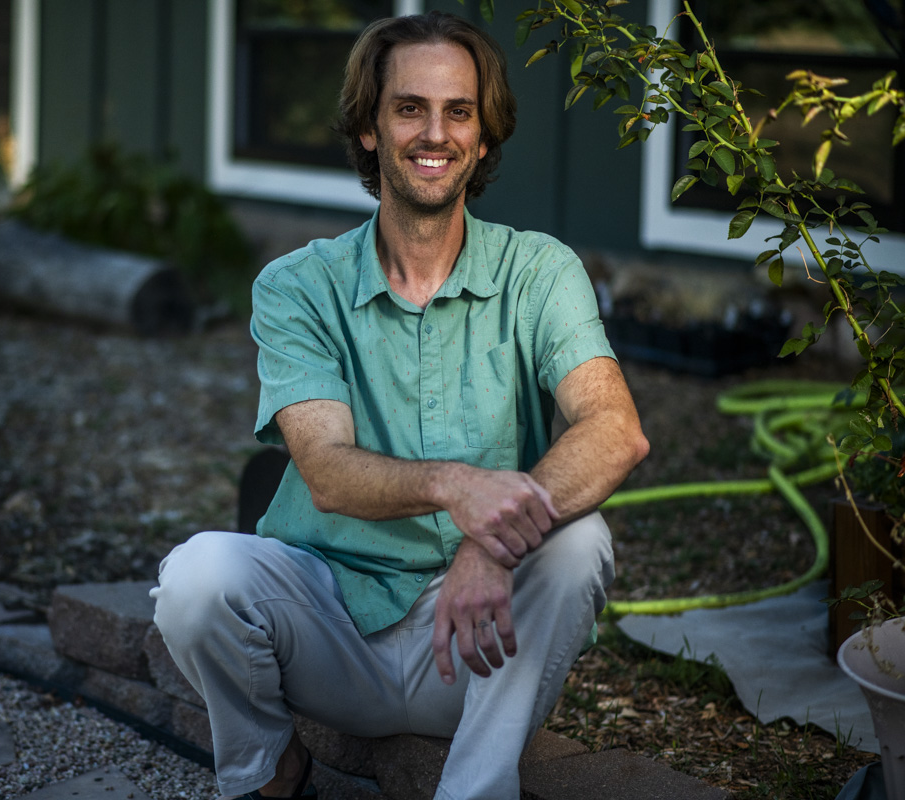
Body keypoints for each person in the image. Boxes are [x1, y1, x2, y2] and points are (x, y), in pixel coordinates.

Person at [152, 11, 648, 800]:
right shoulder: (298, 285)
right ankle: (272, 773)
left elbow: (615, 430)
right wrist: (457, 486)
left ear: (484, 139)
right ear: (369, 130)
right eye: (409, 107)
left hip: (482, 646)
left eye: (459, 112)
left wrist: (487, 545)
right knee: (195, 577)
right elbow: (326, 472)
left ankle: (475, 791)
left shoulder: (539, 271)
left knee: (580, 541)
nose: (435, 133)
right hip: (329, 635)